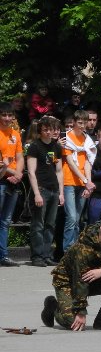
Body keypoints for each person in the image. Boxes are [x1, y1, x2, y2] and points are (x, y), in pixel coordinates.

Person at [40, 212, 101, 331]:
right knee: (71, 323)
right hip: (68, 282)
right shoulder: (84, 248)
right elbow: (80, 280)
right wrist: (81, 312)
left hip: (91, 278)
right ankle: (53, 306)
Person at [26, 115, 65, 267]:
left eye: (52, 129)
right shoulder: (35, 146)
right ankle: (37, 256)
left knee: (50, 224)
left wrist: (61, 193)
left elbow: (59, 170)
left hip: (54, 190)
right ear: (40, 130)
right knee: (38, 224)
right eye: (46, 129)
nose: (49, 132)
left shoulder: (57, 147)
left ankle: (46, 254)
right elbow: (31, 171)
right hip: (41, 189)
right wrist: (36, 193)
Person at [61, 109, 97, 251]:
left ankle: (75, 249)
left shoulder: (87, 139)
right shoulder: (67, 138)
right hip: (69, 181)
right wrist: (84, 179)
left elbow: (88, 162)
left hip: (82, 183)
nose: (82, 126)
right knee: (71, 218)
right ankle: (67, 250)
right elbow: (70, 162)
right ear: (74, 122)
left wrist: (87, 181)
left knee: (78, 219)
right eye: (80, 123)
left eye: (84, 123)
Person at [0, 102, 26, 266]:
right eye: (4, 115)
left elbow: (20, 157)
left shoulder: (15, 134)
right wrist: (14, 173)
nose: (7, 118)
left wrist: (19, 174)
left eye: (10, 115)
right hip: (2, 179)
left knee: (6, 220)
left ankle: (3, 255)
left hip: (14, 181)